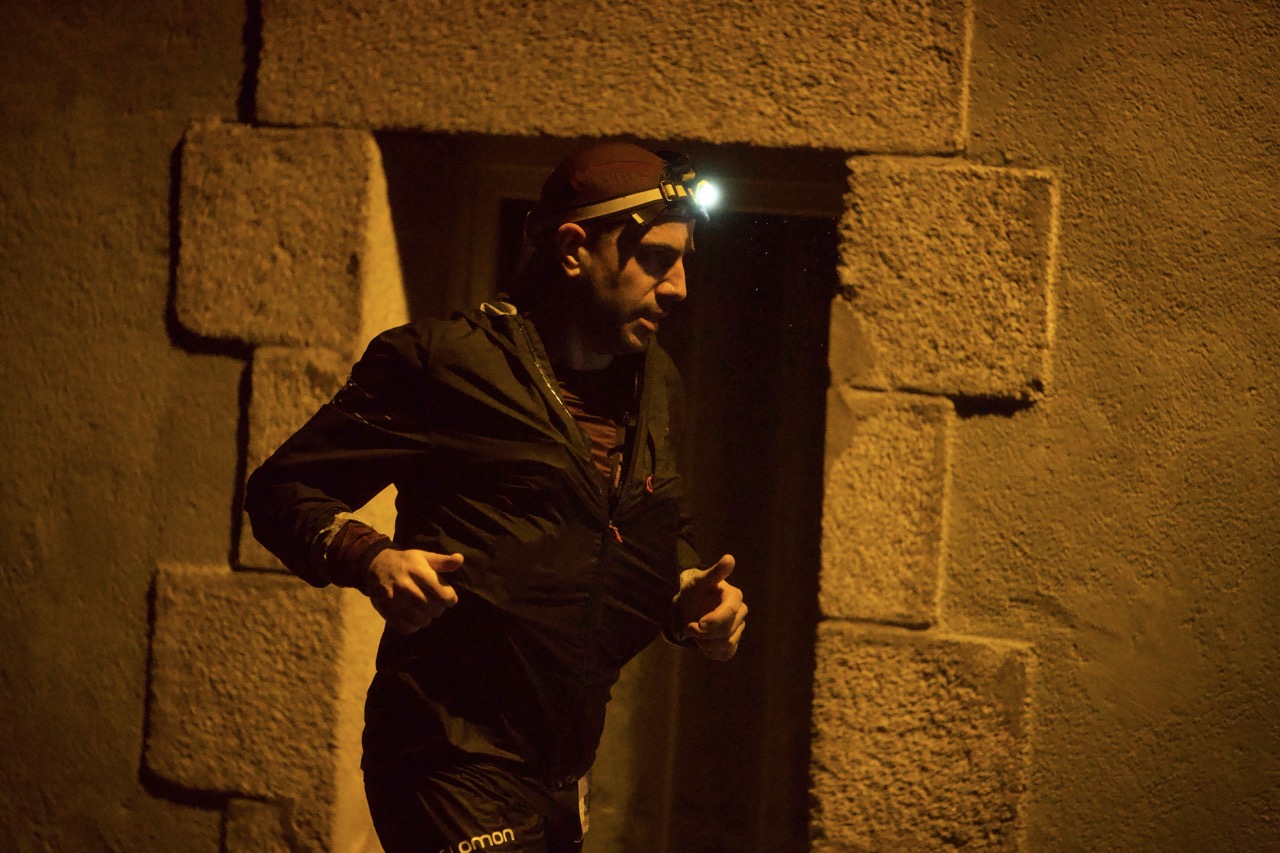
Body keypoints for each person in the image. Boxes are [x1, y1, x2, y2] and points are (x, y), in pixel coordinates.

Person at [245, 141, 747, 853]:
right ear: (572, 250)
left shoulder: (655, 378)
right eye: (657, 259)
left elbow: (650, 520)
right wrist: (371, 558)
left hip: (562, 764)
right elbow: (282, 489)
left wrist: (687, 587)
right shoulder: (442, 360)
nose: (680, 288)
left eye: (685, 259)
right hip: (447, 754)